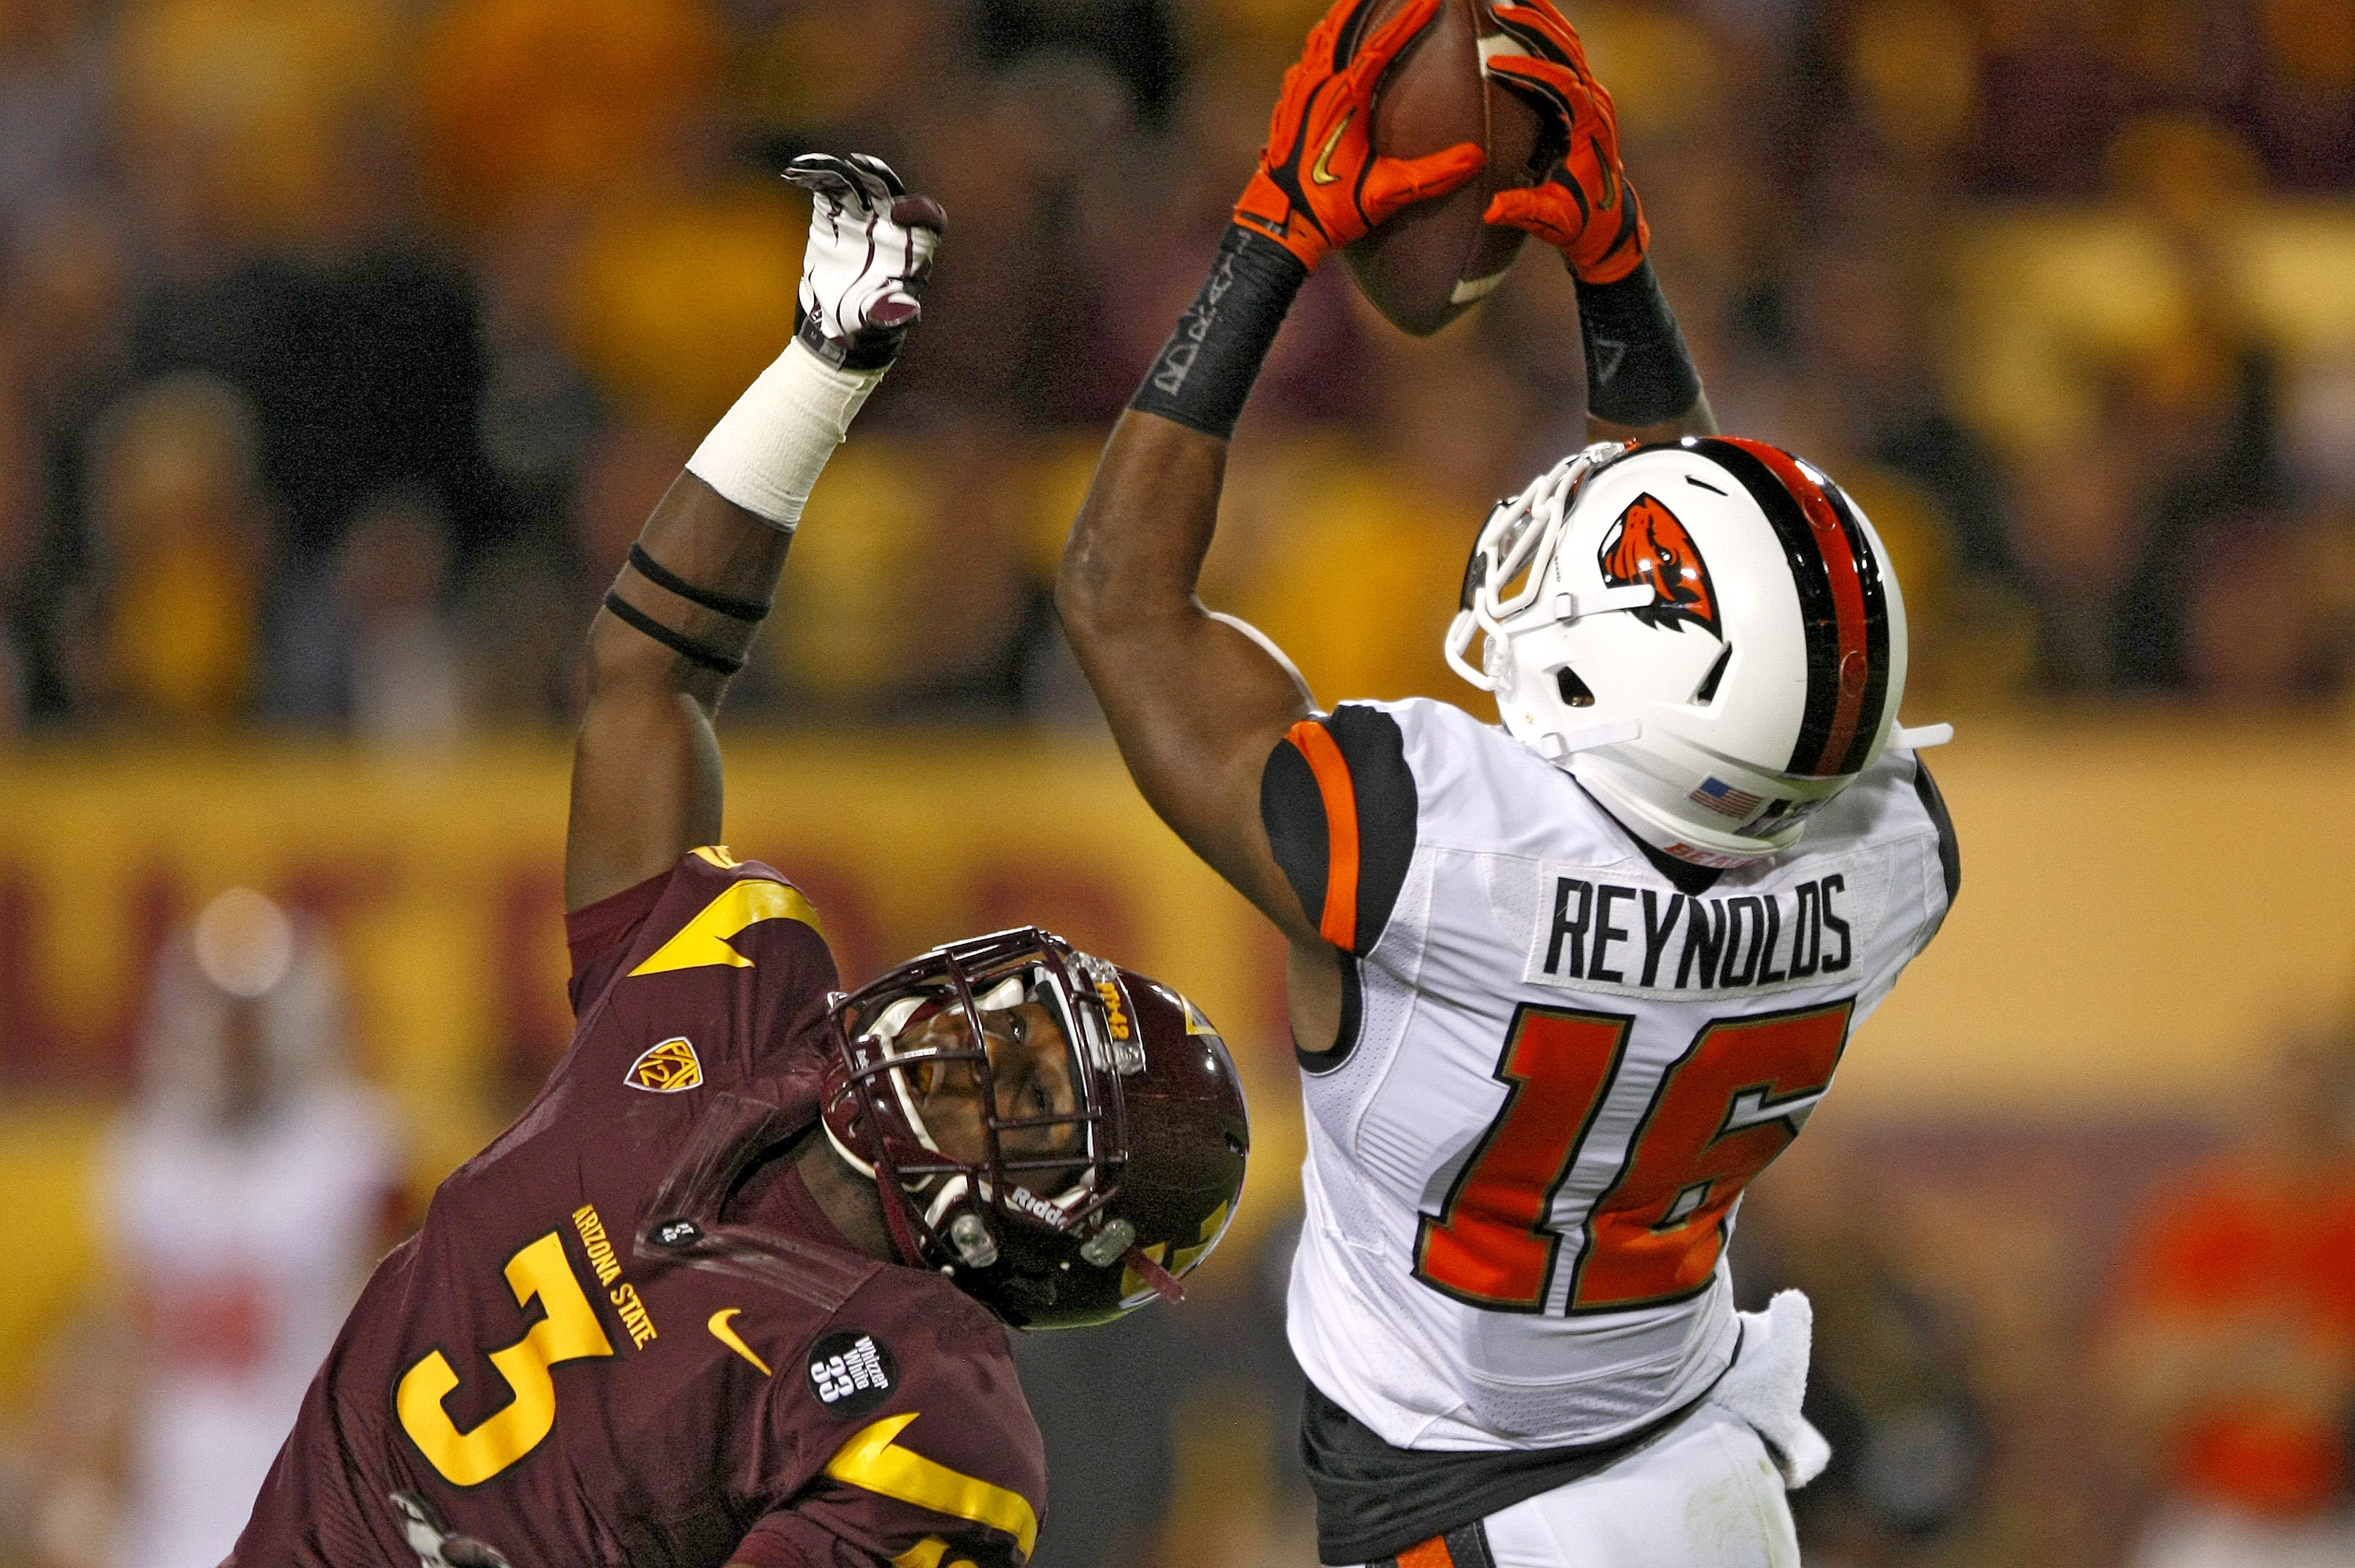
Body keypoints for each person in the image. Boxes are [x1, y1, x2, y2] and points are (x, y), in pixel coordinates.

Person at [227, 153, 1251, 1568]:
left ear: (1057, 1234)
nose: (960, 1041)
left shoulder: (936, 1423)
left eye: (1022, 1088)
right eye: (1008, 1018)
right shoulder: (736, 979)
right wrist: (821, 372)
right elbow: (648, 675)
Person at [1055, 2, 1960, 1565]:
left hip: (1468, 1521)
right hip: (1699, 1484)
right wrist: (1617, 277)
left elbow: (1123, 605)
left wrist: (1272, 234)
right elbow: (1744, 663)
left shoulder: (1433, 845)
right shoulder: (1886, 864)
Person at [101, 887, 405, 1568]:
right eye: (223, 1014)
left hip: (314, 1479)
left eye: (252, 1015)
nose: (237, 1038)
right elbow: (125, 1339)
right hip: (175, 1496)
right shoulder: (145, 1153)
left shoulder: (356, 1147)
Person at [2102, 1032, 2355, 1568]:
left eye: (2312, 1114)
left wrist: (2212, 1362)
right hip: (2213, 1520)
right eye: (2280, 1112)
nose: (2293, 1133)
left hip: (2336, 1521)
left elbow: (2329, 1397)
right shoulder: (2197, 1221)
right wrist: (2262, 1350)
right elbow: (2142, 1388)